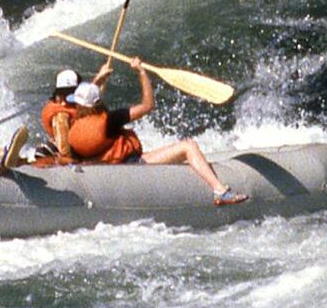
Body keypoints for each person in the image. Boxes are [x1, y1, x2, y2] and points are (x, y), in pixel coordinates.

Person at [56, 59, 249, 205]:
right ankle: (219, 190)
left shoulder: (73, 127)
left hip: (109, 168)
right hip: (132, 167)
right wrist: (141, 72)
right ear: (98, 103)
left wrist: (98, 79)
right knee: (188, 146)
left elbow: (90, 101)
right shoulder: (110, 121)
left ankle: (214, 182)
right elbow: (148, 105)